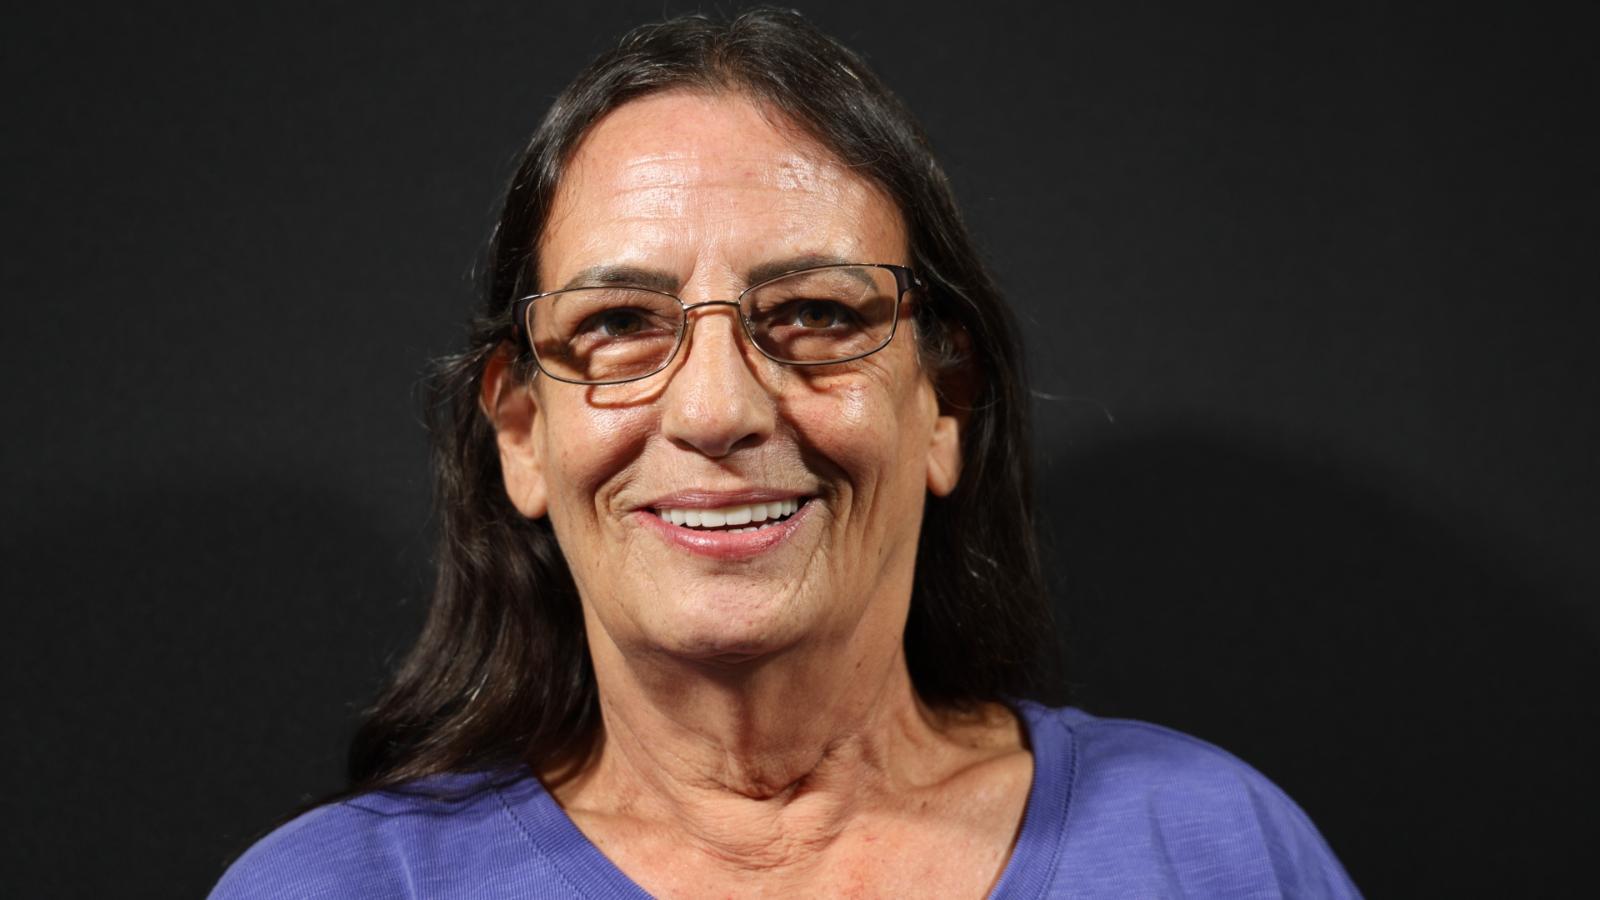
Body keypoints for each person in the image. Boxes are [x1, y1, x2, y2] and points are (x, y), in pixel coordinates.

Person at [212, 9, 1359, 898]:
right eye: (617, 326)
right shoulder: (340, 888)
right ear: (520, 432)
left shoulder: (1208, 849)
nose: (717, 411)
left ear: (943, 404)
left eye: (814, 312)